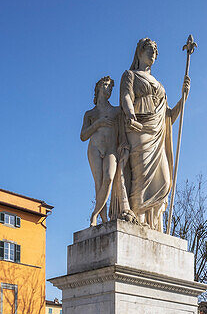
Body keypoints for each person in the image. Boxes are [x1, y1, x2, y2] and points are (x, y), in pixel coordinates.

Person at [119, 38, 190, 230]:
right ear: (140, 52)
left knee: (165, 181)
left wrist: (183, 99)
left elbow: (168, 118)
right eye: (150, 50)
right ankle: (136, 219)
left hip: (157, 132)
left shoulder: (160, 86)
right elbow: (126, 96)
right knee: (140, 174)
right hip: (139, 126)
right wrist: (130, 114)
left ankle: (151, 222)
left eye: (156, 52)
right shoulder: (130, 75)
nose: (154, 54)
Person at [80, 76, 131, 226]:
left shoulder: (116, 111)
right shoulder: (90, 114)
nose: (109, 89)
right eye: (106, 86)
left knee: (108, 178)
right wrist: (98, 124)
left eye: (111, 87)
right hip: (94, 148)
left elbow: (123, 131)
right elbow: (83, 136)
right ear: (98, 88)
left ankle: (94, 213)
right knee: (98, 183)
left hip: (111, 149)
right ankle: (102, 219)